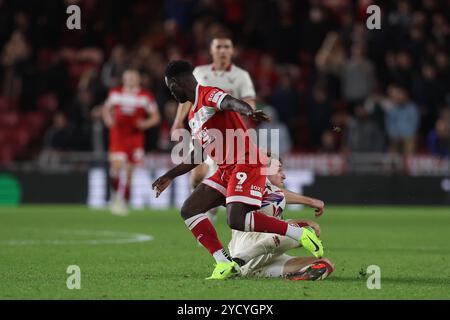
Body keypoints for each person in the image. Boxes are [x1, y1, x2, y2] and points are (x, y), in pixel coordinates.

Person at [152, 60, 323, 280]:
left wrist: (249, 112)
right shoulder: (194, 117)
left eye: (170, 88)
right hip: (226, 169)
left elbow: (230, 102)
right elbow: (198, 155)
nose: (171, 94)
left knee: (236, 219)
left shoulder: (208, 94)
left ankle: (298, 234)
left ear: (176, 82)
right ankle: (224, 263)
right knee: (189, 209)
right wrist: (168, 176)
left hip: (246, 162)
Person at [170, 33, 256, 223]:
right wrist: (177, 122)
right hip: (203, 129)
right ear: (211, 50)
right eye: (219, 47)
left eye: (227, 47)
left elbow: (249, 99)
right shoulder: (200, 72)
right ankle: (204, 207)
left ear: (232, 51)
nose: (223, 51)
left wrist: (248, 111)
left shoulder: (241, 75)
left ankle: (210, 209)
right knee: (196, 174)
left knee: (220, 173)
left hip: (228, 135)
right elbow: (187, 98)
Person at [229, 158, 334, 280]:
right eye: (279, 170)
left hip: (264, 259)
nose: (283, 176)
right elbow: (278, 195)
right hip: (248, 248)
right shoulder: (251, 185)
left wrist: (309, 205)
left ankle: (284, 276)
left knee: (325, 264)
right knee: (300, 230)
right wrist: (308, 208)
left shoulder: (267, 192)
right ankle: (239, 260)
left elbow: (278, 197)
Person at [102, 69, 161, 215]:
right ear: (123, 79)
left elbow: (156, 117)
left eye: (133, 77)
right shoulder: (115, 93)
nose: (130, 79)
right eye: (128, 77)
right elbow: (106, 109)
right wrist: (108, 119)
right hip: (118, 135)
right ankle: (115, 196)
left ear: (138, 79)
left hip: (135, 137)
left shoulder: (145, 96)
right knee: (116, 167)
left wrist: (145, 124)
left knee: (129, 172)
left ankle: (124, 202)